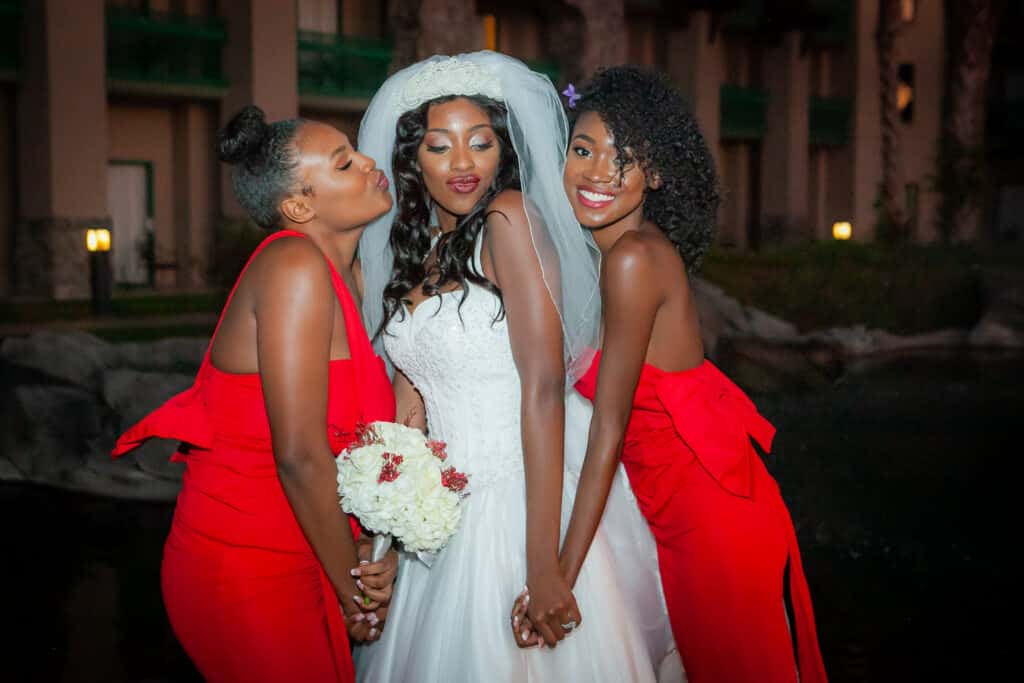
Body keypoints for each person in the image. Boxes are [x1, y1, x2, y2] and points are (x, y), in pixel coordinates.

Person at [353, 52, 662, 682]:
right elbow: (408, 415)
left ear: (503, 150)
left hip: (521, 497)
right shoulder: (417, 257)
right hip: (438, 523)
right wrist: (382, 536)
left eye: (480, 142)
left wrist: (544, 563)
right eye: (440, 147)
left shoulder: (509, 218)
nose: (463, 163)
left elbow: (545, 389)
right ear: (413, 158)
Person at [552, 66, 829, 682]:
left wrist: (558, 578)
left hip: (712, 523)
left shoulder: (632, 260)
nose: (598, 171)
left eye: (624, 158)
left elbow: (610, 429)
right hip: (680, 517)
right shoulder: (610, 255)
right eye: (583, 148)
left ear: (655, 174)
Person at [111, 106, 398, 683]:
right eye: (345, 163)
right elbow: (299, 454)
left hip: (314, 549)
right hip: (247, 564)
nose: (370, 163)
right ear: (299, 207)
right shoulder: (293, 266)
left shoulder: (353, 277)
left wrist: (370, 553)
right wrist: (356, 594)